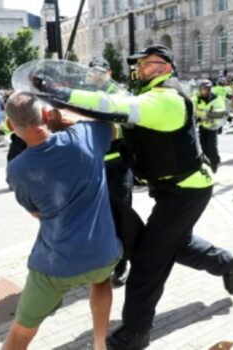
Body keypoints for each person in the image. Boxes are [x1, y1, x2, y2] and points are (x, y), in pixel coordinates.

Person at [40, 45, 233, 349]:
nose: (138, 69)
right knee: (172, 244)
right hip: (173, 191)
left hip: (187, 192)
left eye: (145, 64)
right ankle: (227, 262)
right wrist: (73, 126)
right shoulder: (147, 96)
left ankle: (136, 332)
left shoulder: (165, 98)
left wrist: (61, 92)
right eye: (138, 65)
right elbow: (125, 130)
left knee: (149, 263)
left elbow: (111, 105)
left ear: (164, 67)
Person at [2, 91, 122, 350]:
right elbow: (110, 129)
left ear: (11, 126)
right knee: (101, 280)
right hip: (101, 254)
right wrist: (65, 122)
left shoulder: (17, 169)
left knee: (20, 332)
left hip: (54, 266)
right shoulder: (86, 136)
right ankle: (99, 343)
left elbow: (36, 213)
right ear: (46, 114)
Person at [89, 57, 133, 286]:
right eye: (92, 73)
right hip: (94, 168)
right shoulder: (85, 95)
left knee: (120, 218)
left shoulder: (119, 96)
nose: (95, 76)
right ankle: (104, 260)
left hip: (117, 167)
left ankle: (122, 264)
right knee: (98, 219)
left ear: (109, 73)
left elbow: (125, 128)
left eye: (100, 72)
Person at [191, 79, 226, 173]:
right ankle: (207, 163)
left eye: (205, 89)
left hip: (213, 126)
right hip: (202, 125)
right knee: (203, 145)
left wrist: (206, 116)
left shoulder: (216, 99)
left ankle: (215, 163)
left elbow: (221, 113)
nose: (203, 91)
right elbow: (192, 105)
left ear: (209, 89)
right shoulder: (196, 98)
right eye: (201, 89)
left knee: (211, 145)